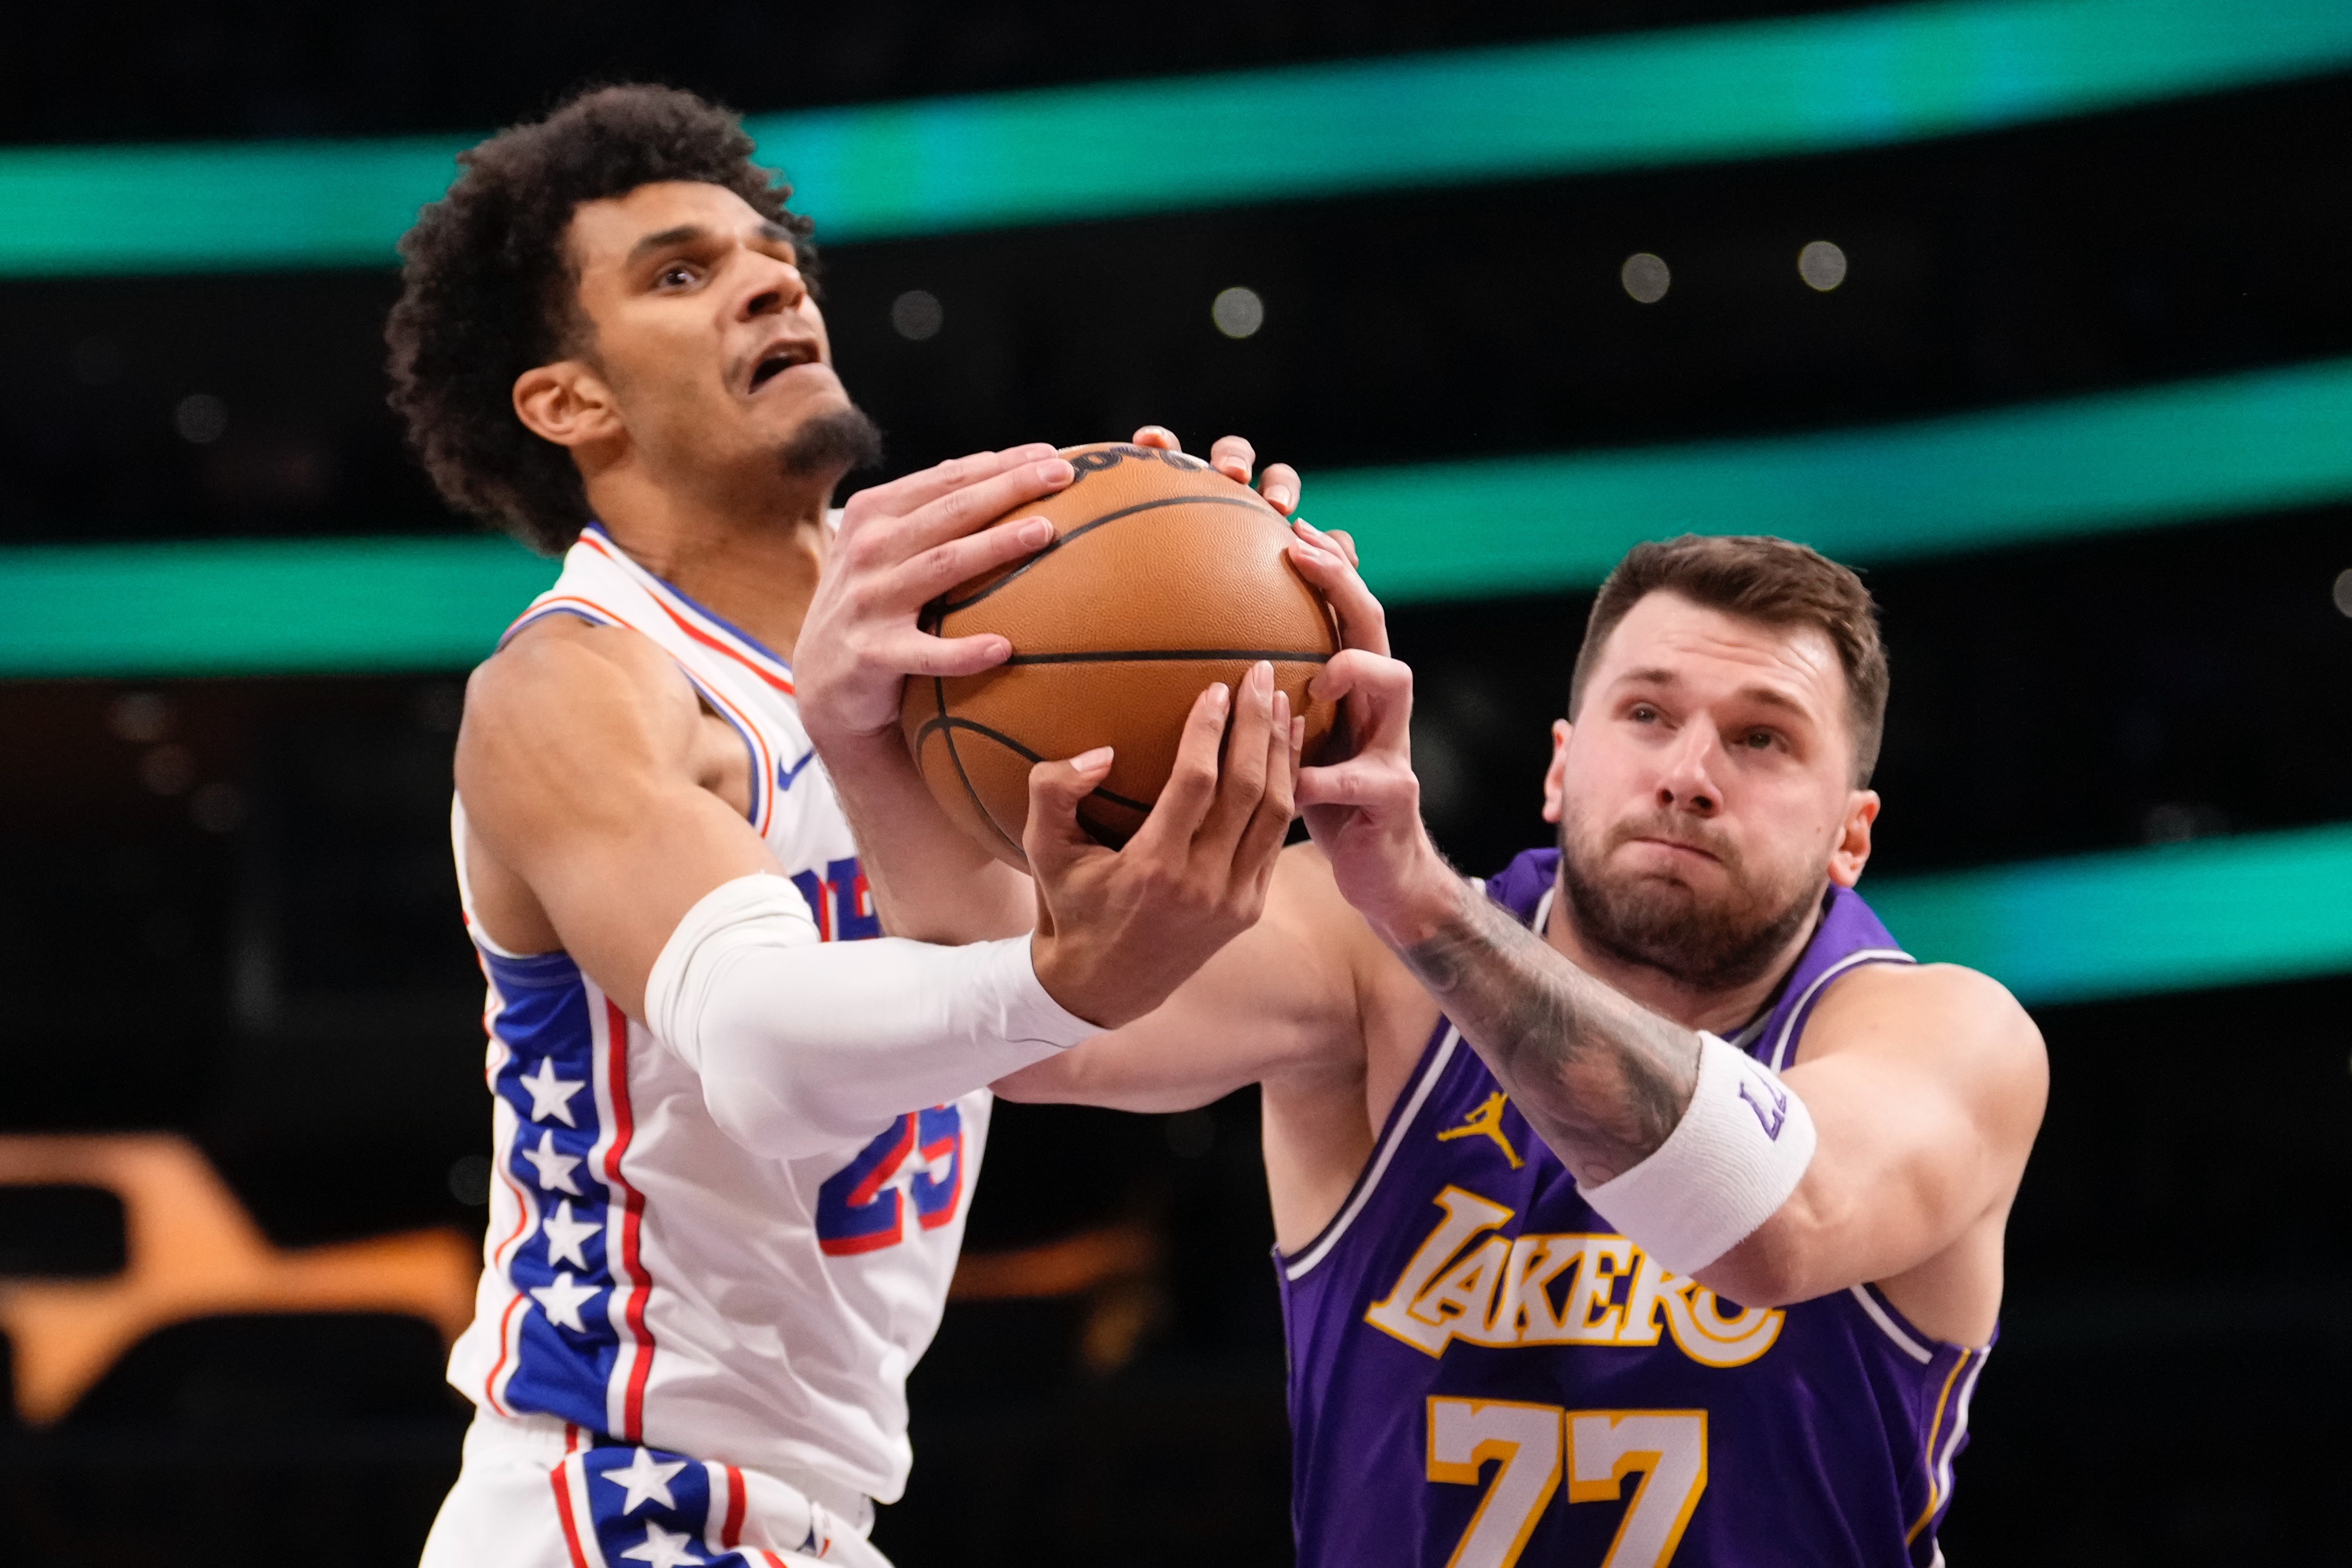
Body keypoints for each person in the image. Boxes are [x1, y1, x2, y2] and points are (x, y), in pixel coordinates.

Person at [385, 86, 1303, 1568]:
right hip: (614, 1497)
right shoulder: (576, 685)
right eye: (680, 273)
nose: (767, 277)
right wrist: (1065, 973)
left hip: (810, 1513)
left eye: (767, 253)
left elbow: (1053, 1024)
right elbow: (760, 1036)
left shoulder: (952, 670)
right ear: (571, 402)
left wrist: (1268, 674)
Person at [801, 511, 2049, 1566]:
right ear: (1561, 769)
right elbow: (1024, 1030)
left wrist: (1422, 904)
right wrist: (859, 733)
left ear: (1851, 836)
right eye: (1646, 714)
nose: (1687, 772)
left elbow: (1774, 1225)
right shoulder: (1363, 966)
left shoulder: (1943, 1033)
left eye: (1761, 738)